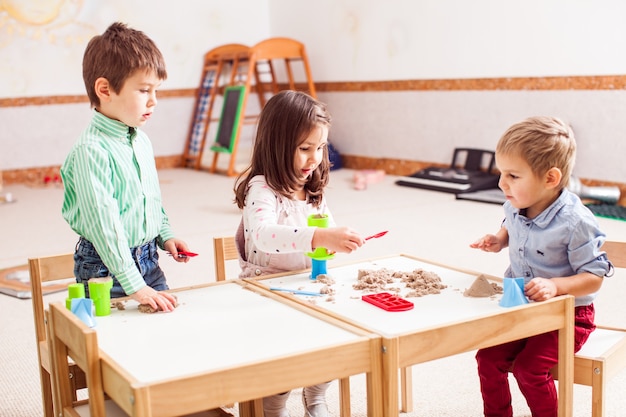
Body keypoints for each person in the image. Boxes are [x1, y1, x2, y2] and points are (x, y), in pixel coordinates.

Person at [470, 116, 612, 417]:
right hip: (521, 301)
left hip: (568, 315)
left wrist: (555, 285)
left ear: (550, 179)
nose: (501, 183)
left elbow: (594, 277)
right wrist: (499, 238)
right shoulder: (515, 202)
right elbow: (512, 223)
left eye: (512, 175)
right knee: (487, 358)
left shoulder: (577, 222)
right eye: (501, 173)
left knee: (528, 368)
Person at [234, 90, 365, 417]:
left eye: (320, 148)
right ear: (277, 146)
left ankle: (316, 395)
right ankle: (274, 405)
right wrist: (319, 235)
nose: (315, 158)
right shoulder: (261, 189)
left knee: (338, 338)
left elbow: (326, 227)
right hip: (266, 292)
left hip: (309, 283)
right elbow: (264, 236)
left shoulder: (311, 186)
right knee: (284, 354)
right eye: (305, 149)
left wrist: (338, 238)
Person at [61, 22, 187, 313]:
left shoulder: (141, 140)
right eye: (144, 90)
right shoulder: (90, 151)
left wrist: (164, 234)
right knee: (112, 345)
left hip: (147, 261)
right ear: (105, 89)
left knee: (164, 328)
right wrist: (135, 284)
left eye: (156, 90)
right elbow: (105, 227)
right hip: (105, 270)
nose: (154, 101)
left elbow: (150, 199)